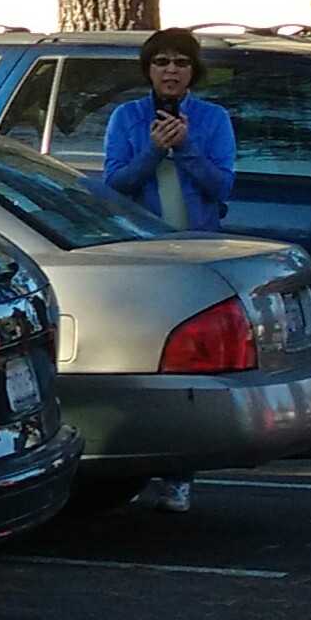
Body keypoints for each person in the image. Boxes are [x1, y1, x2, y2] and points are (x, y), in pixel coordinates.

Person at [100, 29, 239, 509]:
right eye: (161, 62)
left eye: (181, 62)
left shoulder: (213, 119)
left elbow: (222, 186)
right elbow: (114, 186)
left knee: (188, 365)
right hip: (141, 253)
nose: (171, 71)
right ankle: (133, 468)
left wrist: (187, 149)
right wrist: (154, 151)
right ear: (149, 70)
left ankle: (180, 473)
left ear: (193, 71)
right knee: (139, 360)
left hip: (195, 251)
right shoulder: (127, 118)